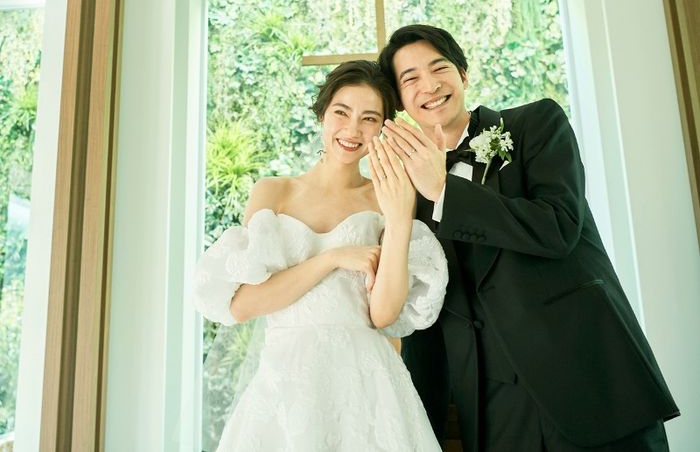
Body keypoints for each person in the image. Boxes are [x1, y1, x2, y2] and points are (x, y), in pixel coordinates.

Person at [377, 24, 679, 452]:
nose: (429, 85)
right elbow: (425, 311)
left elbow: (558, 228)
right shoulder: (403, 189)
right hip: (494, 409)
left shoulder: (536, 123)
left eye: (439, 68)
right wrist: (420, 425)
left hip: (588, 377)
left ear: (463, 74)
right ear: (399, 100)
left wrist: (444, 189)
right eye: (410, 79)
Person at [193, 60, 448, 451]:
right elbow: (243, 305)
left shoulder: (387, 196)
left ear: (383, 128)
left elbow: (384, 315)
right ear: (322, 114)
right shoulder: (274, 192)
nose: (352, 129)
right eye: (341, 113)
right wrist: (332, 258)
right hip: (286, 380)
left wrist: (399, 220)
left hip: (367, 383)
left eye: (369, 118)